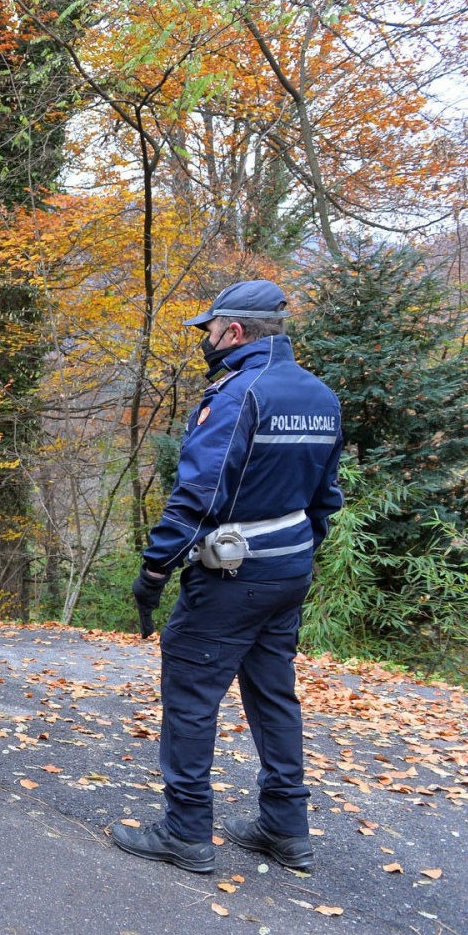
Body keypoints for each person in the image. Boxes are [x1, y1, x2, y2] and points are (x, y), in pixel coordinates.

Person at [112, 280, 343, 875]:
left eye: (209, 331)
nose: (206, 341)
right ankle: (286, 828)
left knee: (190, 696)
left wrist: (156, 569)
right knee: (273, 695)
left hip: (232, 576)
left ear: (234, 332)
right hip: (289, 572)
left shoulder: (238, 395)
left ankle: (187, 831)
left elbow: (198, 493)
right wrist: (296, 557)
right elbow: (326, 498)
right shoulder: (320, 396)